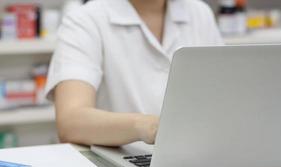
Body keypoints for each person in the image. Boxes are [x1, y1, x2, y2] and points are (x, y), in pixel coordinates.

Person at [45, 0, 223, 147]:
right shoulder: (85, 20)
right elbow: (71, 122)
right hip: (118, 166)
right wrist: (149, 126)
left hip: (195, 157)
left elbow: (223, 93)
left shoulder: (200, 13)